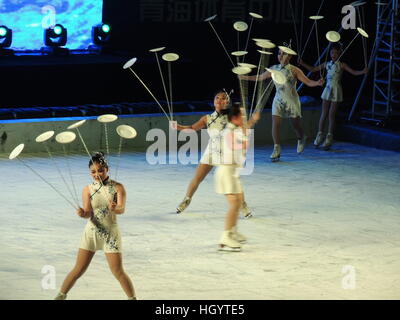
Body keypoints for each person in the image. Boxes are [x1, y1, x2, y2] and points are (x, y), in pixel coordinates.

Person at [54, 152, 136, 300]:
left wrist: (114, 208)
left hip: (110, 234)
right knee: (78, 269)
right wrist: (82, 213)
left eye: (100, 170)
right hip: (91, 232)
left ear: (107, 169)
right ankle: (60, 296)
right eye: (93, 171)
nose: (96, 174)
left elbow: (121, 209)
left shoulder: (118, 187)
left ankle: (132, 298)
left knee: (118, 271)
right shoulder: (88, 189)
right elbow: (88, 212)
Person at [175, 90, 260, 215]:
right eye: (217, 98)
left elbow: (244, 127)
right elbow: (192, 128)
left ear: (227, 102)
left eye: (223, 98)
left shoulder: (233, 116)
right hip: (212, 151)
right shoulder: (207, 118)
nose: (220, 100)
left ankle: (243, 205)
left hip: (228, 153)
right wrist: (178, 127)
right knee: (197, 178)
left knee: (234, 181)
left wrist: (253, 120)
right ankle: (186, 200)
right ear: (214, 102)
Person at [241, 47, 324, 161]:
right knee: (276, 123)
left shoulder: (294, 70)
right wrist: (244, 77)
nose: (281, 56)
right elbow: (260, 77)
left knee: (295, 124)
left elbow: (308, 82)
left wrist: (317, 83)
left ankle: (301, 137)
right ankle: (277, 148)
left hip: (291, 100)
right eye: (279, 54)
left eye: (284, 54)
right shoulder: (273, 69)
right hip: (278, 99)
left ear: (289, 56)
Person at [298, 43, 368, 149]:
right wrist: (302, 63)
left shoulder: (342, 65)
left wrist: (363, 71)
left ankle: (329, 137)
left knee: (331, 115)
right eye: (332, 52)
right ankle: (320, 135)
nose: (333, 54)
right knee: (324, 113)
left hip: (336, 90)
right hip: (327, 89)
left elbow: (353, 72)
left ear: (339, 53)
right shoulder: (327, 64)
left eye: (335, 53)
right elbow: (313, 69)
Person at [216, 104, 249, 252]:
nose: (244, 117)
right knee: (234, 204)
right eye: (242, 115)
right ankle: (225, 236)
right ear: (235, 118)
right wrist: (244, 144)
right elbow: (235, 148)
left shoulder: (235, 129)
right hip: (226, 172)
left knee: (239, 201)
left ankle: (233, 232)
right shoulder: (229, 131)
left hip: (232, 172)